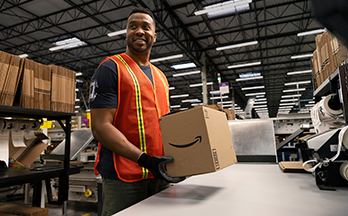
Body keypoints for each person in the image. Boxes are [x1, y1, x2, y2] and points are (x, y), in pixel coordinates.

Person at [89, 7, 184, 216]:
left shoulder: (161, 77)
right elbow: (100, 127)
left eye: (145, 27)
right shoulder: (111, 68)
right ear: (126, 33)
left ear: (154, 36)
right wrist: (144, 159)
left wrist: (181, 162)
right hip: (123, 178)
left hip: (160, 174)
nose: (139, 31)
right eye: (133, 27)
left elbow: (163, 126)